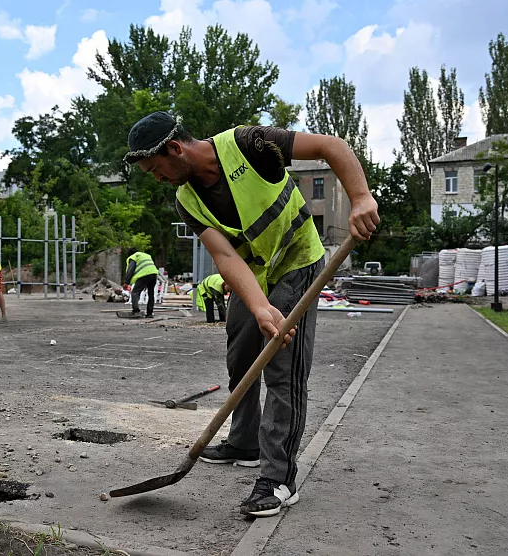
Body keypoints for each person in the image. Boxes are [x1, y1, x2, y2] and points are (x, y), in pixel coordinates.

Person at [123, 112, 379, 518]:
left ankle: (278, 479)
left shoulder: (250, 144)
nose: (156, 177)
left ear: (175, 148)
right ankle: (244, 442)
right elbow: (224, 255)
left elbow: (332, 146)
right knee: (241, 355)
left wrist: (361, 197)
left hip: (298, 260)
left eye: (155, 168)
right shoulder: (186, 199)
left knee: (282, 368)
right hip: (254, 274)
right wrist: (259, 306)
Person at [123, 248, 159, 318]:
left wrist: (126, 282)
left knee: (135, 292)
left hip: (144, 275)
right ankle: (150, 313)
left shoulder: (133, 257)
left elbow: (130, 270)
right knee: (151, 294)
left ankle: (135, 311)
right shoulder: (146, 255)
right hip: (154, 274)